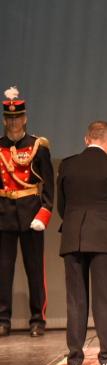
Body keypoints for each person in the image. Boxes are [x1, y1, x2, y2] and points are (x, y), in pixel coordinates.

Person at [58, 121, 107, 365]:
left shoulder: (67, 164)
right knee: (103, 300)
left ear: (85, 139)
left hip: (74, 237)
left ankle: (75, 362)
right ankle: (106, 361)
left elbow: (62, 208)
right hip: (103, 237)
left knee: (76, 301)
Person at [0, 86, 54, 337]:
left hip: (31, 213)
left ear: (25, 118)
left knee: (35, 269)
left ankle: (37, 319)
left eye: (17, 117)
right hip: (3, 214)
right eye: (9, 118)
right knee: (3, 271)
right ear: (4, 119)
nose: (13, 122)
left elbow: (49, 189)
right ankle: (3, 319)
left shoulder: (37, 146)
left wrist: (43, 215)